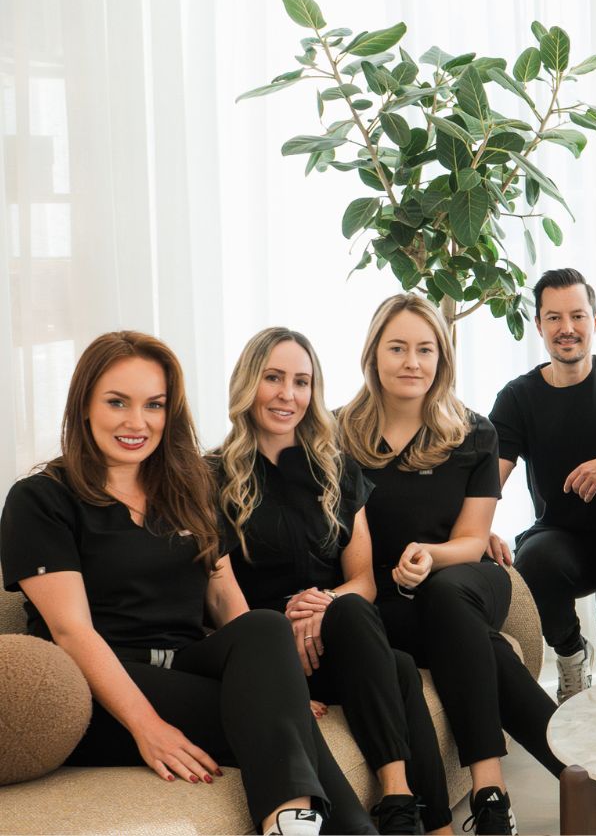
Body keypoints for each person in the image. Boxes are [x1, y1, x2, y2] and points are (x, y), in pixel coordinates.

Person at [1, 331, 372, 836]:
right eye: (117, 402)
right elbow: (71, 633)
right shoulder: (41, 499)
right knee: (279, 725)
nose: (138, 422)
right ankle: (313, 825)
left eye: (154, 405)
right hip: (101, 683)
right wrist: (148, 728)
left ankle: (292, 824)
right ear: (84, 404)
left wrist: (277, 678)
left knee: (264, 629)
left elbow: (222, 592)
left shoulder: (186, 488)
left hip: (185, 662)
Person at [214, 327, 451, 835]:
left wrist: (320, 606)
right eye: (273, 378)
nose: (288, 394)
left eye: (301, 381)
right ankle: (419, 817)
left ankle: (403, 804)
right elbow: (218, 594)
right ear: (247, 384)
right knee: (402, 669)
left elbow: (362, 579)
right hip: (266, 653)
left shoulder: (335, 468)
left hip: (336, 634)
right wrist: (279, 638)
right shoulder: (211, 475)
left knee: (352, 610)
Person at [340, 295, 559, 836]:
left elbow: (470, 539)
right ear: (373, 354)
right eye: (397, 348)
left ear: (442, 358)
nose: (412, 362)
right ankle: (577, 772)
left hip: (466, 577)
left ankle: (489, 782)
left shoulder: (473, 432)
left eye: (425, 349)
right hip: (390, 600)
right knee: (475, 644)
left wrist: (430, 556)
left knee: (447, 594)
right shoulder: (338, 435)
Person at [486, 268, 596, 701]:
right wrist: (475, 529)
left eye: (577, 316)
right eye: (554, 318)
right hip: (562, 538)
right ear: (538, 325)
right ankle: (572, 657)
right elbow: (489, 478)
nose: (567, 328)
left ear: (595, 321)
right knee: (533, 560)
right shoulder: (518, 397)